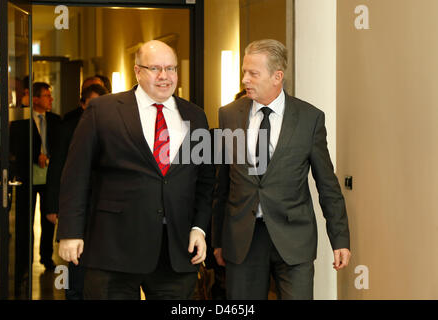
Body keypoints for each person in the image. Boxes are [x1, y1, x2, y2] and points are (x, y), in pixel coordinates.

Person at [56, 40, 215, 300]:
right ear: (137, 71)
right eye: (155, 68)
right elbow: (76, 174)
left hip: (175, 251)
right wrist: (70, 231)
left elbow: (206, 181)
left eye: (171, 68)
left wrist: (200, 228)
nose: (165, 76)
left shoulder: (196, 116)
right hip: (114, 249)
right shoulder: (103, 111)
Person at [212, 39, 351, 300]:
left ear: (277, 76)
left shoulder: (309, 119)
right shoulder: (228, 115)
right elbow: (224, 184)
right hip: (243, 239)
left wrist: (340, 239)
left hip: (294, 239)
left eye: (253, 73)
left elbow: (327, 185)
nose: (245, 79)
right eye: (244, 72)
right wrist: (217, 239)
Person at [44, 83, 108, 300]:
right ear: (82, 105)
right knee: (74, 265)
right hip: (77, 207)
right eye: (92, 104)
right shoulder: (68, 128)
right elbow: (57, 169)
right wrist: (52, 207)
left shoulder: (114, 128)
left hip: (102, 207)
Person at [10, 82, 61, 295]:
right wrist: (35, 155)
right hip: (28, 177)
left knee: (49, 218)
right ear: (36, 99)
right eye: (47, 96)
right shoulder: (21, 122)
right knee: (25, 221)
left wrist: (50, 158)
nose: (50, 99)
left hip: (49, 176)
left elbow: (60, 146)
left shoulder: (57, 121)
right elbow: (15, 149)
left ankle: (47, 257)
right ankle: (24, 262)